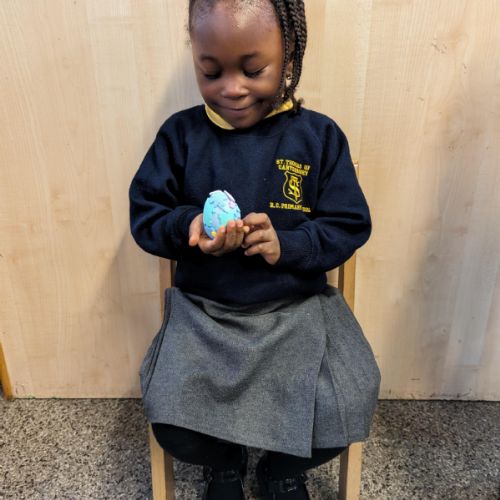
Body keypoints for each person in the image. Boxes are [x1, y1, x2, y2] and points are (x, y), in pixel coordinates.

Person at [129, 0, 380, 498]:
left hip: (297, 313)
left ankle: (280, 470)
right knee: (169, 416)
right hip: (205, 316)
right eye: (211, 72)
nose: (232, 88)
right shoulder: (180, 136)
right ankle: (225, 465)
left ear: (289, 55)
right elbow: (146, 216)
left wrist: (287, 245)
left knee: (351, 399)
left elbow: (349, 224)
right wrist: (190, 225)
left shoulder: (318, 136)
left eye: (252, 70)